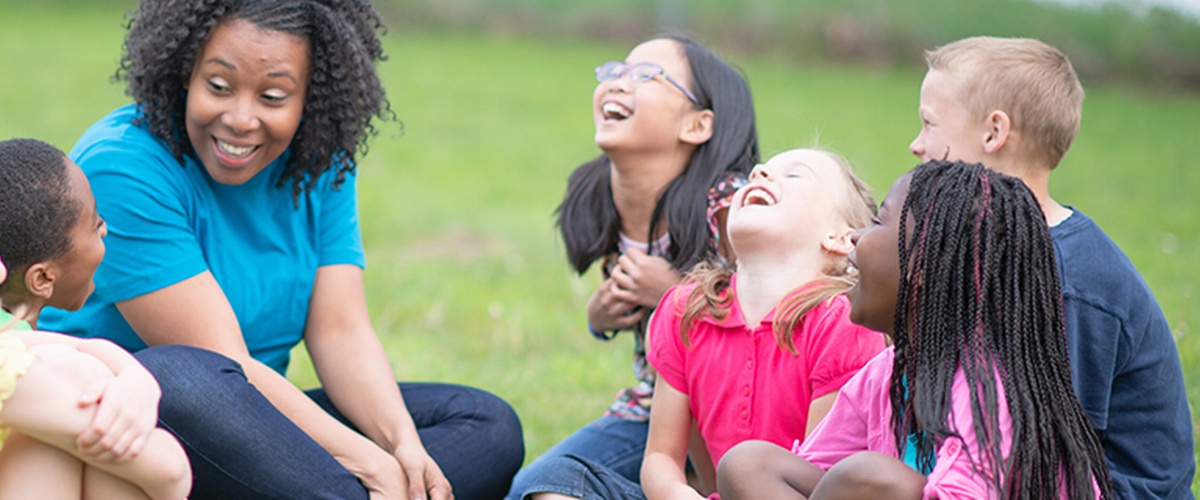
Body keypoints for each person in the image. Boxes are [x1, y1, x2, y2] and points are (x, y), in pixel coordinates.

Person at [38, 1, 523, 498]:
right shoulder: (123, 166)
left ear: (310, 97)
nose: (240, 119)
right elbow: (223, 361)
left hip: (266, 431)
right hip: (145, 430)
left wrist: (401, 448)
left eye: (272, 96)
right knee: (179, 373)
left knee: (485, 425)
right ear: (186, 73)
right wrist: (369, 466)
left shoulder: (319, 162)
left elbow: (341, 330)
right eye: (218, 87)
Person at [718, 160, 1113, 499]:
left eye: (876, 221)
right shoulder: (885, 374)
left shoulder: (989, 388)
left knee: (867, 479)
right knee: (749, 465)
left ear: (920, 265)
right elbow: (815, 478)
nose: (856, 236)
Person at [905, 36, 1193, 498]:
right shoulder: (1000, 251)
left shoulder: (1065, 280)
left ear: (994, 133)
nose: (916, 145)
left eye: (928, 124)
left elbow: (1050, 446)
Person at [524, 148, 888, 500]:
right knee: (558, 478)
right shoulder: (685, 311)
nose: (761, 173)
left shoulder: (840, 322)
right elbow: (662, 457)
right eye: (758, 170)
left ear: (841, 238)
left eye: (794, 175)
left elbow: (817, 477)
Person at [506, 34, 759, 499]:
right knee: (532, 487)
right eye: (615, 71)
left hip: (748, 416)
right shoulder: (601, 197)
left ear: (698, 125)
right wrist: (599, 318)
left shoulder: (732, 206)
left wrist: (677, 291)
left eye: (645, 75)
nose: (619, 83)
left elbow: (778, 308)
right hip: (656, 412)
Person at [0, 137, 191, 499]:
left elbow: (89, 347)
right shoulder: (19, 365)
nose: (105, 229)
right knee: (80, 377)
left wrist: (137, 379)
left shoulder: (18, 341)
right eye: (95, 224)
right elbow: (170, 472)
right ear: (42, 279)